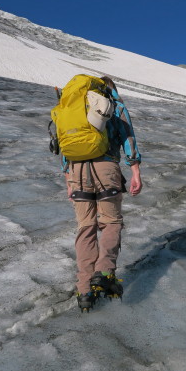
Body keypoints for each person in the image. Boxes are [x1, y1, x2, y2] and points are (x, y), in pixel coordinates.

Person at [63, 76, 142, 312]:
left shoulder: (75, 106)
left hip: (76, 170)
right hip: (106, 168)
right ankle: (104, 273)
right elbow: (128, 137)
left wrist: (68, 177)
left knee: (86, 227)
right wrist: (135, 169)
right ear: (112, 89)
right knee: (110, 222)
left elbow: (65, 142)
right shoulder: (113, 104)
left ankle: (84, 290)